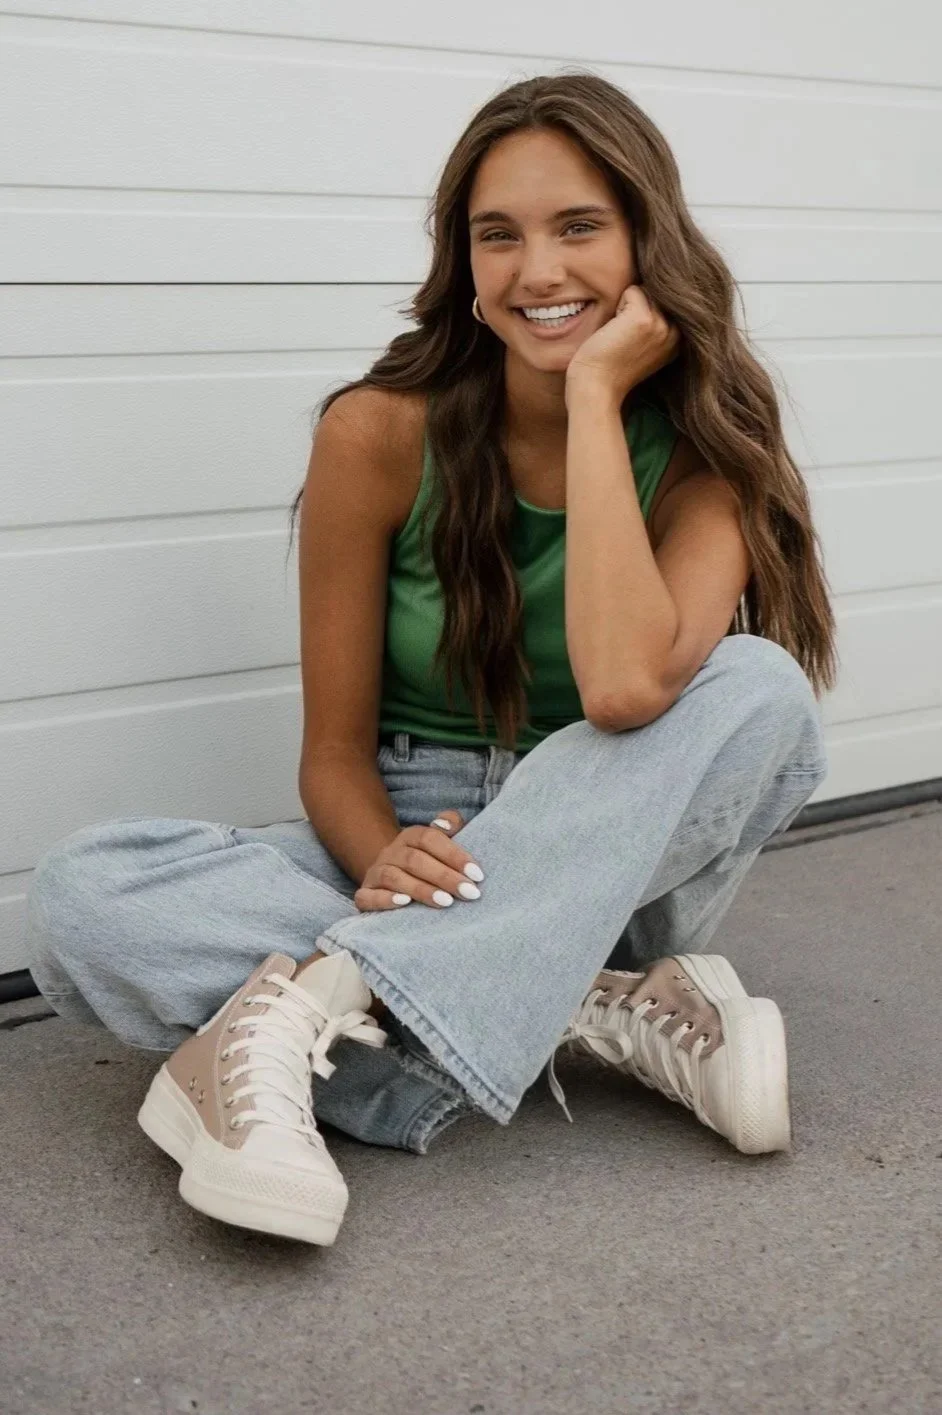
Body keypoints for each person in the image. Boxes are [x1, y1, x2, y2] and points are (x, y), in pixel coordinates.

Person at [24, 72, 835, 1248]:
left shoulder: (712, 453)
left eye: (579, 228)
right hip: (421, 844)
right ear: (461, 259)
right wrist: (378, 856)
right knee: (82, 896)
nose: (538, 272)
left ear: (646, 241)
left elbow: (622, 691)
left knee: (761, 690)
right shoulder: (377, 432)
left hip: (606, 860)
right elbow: (336, 752)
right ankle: (577, 1012)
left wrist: (600, 398)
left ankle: (322, 1010)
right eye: (496, 235)